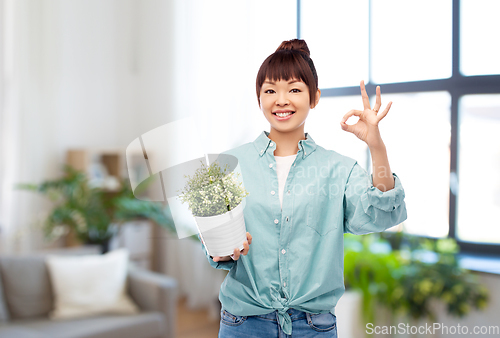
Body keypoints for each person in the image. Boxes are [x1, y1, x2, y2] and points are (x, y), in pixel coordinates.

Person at [199, 38, 407, 337]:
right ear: (259, 97)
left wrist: (376, 145)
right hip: (244, 324)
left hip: (314, 327)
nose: (281, 100)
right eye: (270, 90)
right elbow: (214, 248)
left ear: (314, 97)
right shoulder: (229, 165)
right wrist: (225, 249)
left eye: (294, 89)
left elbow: (384, 213)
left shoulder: (338, 168)